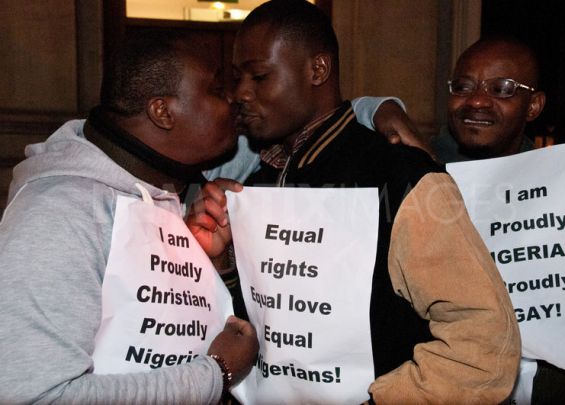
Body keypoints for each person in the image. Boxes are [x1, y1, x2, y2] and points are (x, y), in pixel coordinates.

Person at [189, 1, 521, 403]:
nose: (241, 93)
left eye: (259, 76)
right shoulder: (257, 182)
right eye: (238, 77)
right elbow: (266, 325)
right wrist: (224, 263)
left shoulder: (399, 174)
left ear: (317, 70)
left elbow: (484, 343)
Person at [0, 30, 259, 404]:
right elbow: (38, 397)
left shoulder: (171, 192)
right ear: (162, 112)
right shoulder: (56, 215)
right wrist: (216, 373)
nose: (234, 99)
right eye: (217, 89)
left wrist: (209, 264)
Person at [382, 36, 565, 404]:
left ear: (533, 105)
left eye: (502, 88)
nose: (476, 100)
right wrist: (378, 108)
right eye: (463, 86)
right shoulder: (407, 173)